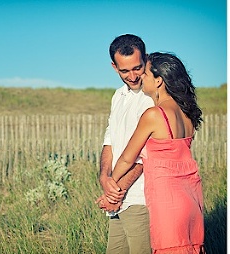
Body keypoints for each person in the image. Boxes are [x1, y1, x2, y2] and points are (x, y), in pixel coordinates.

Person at [108, 52, 205, 253]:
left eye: (146, 74)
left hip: (166, 203)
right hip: (191, 199)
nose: (141, 76)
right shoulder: (187, 114)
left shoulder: (154, 114)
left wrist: (110, 185)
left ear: (159, 81)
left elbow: (128, 158)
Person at [95, 34, 154, 254]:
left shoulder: (152, 97)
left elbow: (148, 154)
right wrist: (104, 178)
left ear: (146, 60)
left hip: (140, 197)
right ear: (114, 67)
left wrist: (116, 190)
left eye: (137, 68)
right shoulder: (117, 96)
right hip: (117, 193)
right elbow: (109, 140)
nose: (132, 76)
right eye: (124, 71)